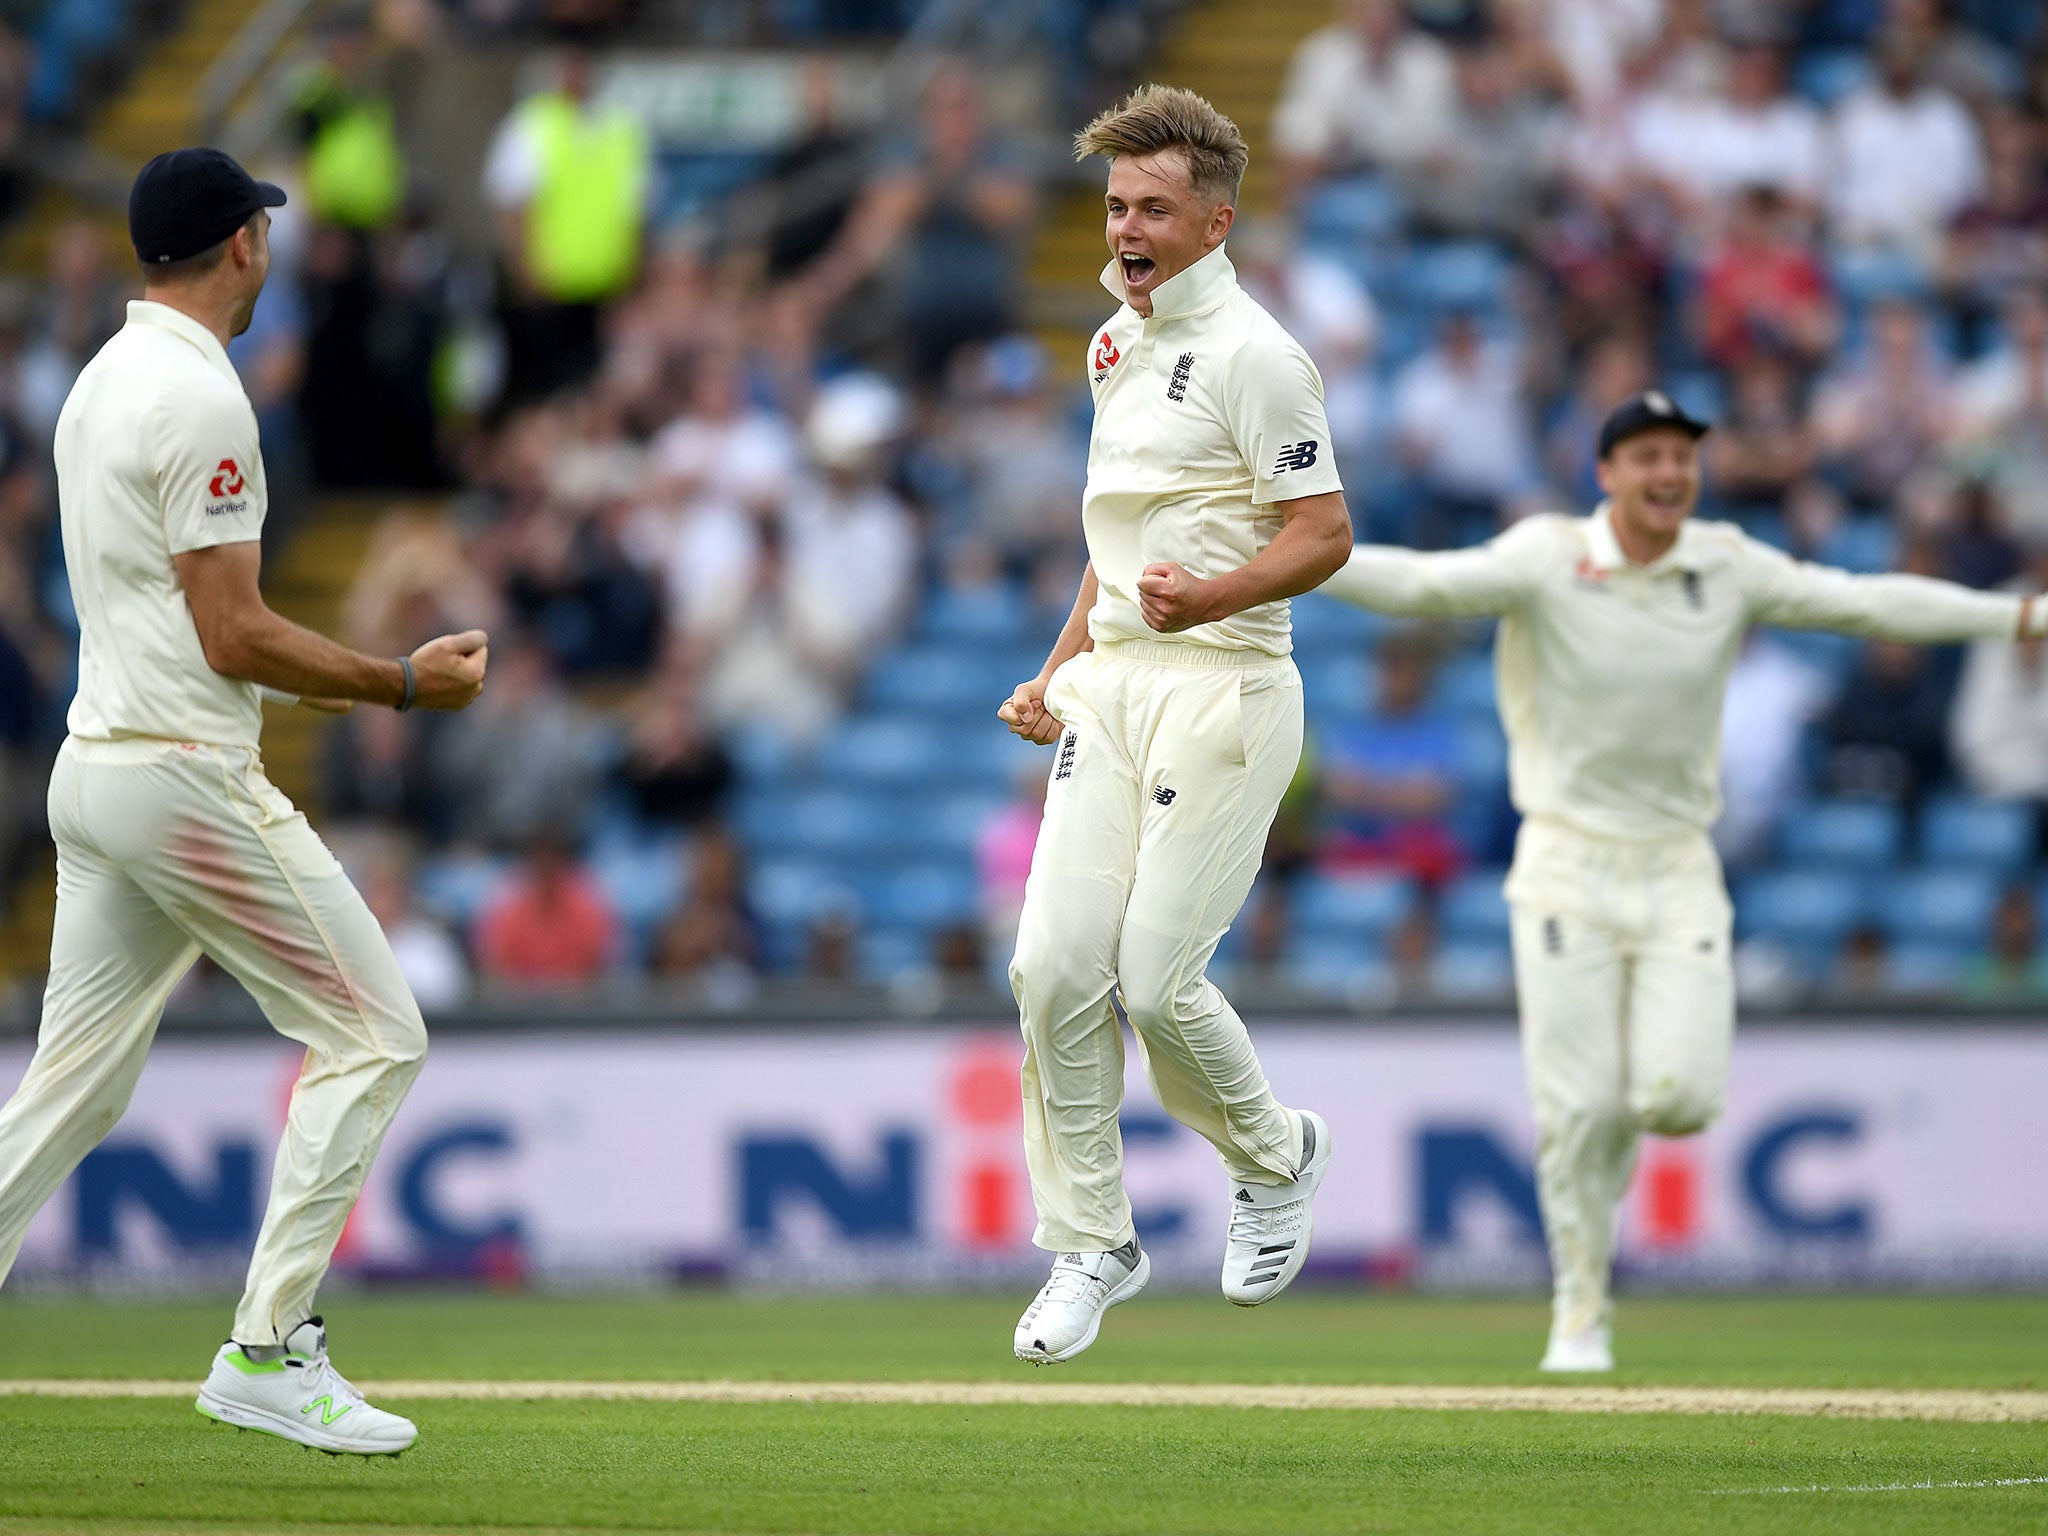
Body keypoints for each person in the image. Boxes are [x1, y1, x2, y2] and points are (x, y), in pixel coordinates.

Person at [1319, 389, 2048, 1373]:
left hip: (1676, 869)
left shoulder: (1723, 564)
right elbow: (1417, 585)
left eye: (1682, 457)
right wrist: (1279, 567)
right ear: (1606, 472)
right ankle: (1580, 1310)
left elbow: (1866, 601)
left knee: (1675, 1100)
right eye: (1648, 456)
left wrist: (2017, 615)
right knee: (1575, 1108)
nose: (1669, 474)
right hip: (1564, 864)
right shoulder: (1546, 557)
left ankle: (1605, 1175)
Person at [0, 150, 488, 1454]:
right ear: (241, 247)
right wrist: (395, 684)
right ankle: (266, 1348)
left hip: (93, 768)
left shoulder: (96, 383)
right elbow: (230, 632)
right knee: (378, 1034)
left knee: (71, 1091)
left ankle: (269, 1345)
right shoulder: (203, 399)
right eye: (262, 225)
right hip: (178, 771)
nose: (269, 242)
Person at [996, 86, 1351, 1364]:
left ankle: (1275, 1154)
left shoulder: (1260, 357)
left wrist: (1212, 593)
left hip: (1229, 687)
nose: (1126, 228)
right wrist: (1053, 669)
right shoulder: (1109, 344)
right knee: (1048, 970)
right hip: (1116, 683)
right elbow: (1115, 540)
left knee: (1152, 980)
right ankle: (1091, 1242)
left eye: (1152, 208)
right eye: (1112, 205)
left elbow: (1323, 533)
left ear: (1215, 219)